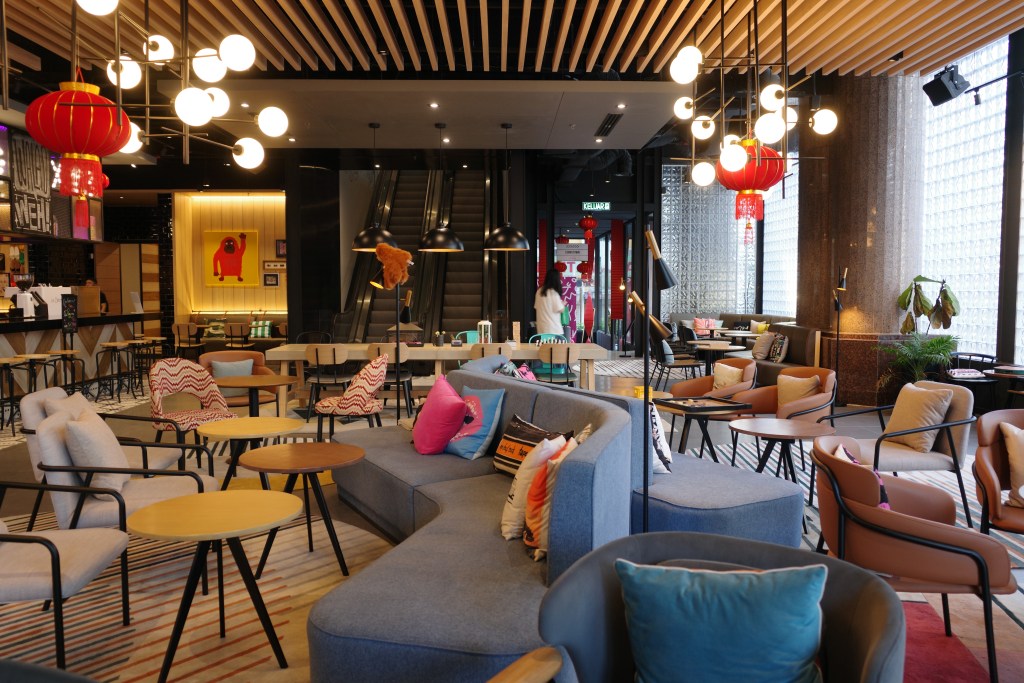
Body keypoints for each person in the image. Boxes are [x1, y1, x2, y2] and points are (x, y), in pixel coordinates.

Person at [534, 269, 566, 336]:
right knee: (555, 343)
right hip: (554, 330)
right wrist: (563, 304)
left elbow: (536, 307)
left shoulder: (539, 291)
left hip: (541, 329)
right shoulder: (553, 293)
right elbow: (560, 309)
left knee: (544, 343)